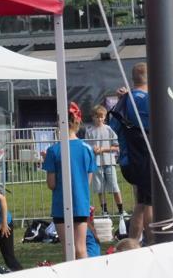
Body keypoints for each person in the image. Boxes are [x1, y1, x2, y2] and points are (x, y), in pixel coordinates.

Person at [43, 102, 96, 259]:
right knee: (81, 248)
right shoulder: (87, 149)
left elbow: (51, 184)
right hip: (80, 204)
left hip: (61, 206)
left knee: (68, 249)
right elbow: (88, 181)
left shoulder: (53, 151)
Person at [111, 62, 152, 244]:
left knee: (141, 204)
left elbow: (114, 127)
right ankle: (153, 242)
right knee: (150, 202)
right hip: (144, 158)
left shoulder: (124, 100)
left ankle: (132, 243)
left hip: (128, 161)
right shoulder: (146, 100)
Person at [84, 104, 123, 217]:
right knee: (100, 188)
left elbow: (116, 146)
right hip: (96, 164)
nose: (99, 119)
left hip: (109, 162)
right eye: (97, 116)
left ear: (105, 117)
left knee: (114, 186)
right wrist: (93, 150)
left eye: (101, 117)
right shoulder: (89, 131)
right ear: (93, 117)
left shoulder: (109, 129)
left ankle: (121, 210)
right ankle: (104, 210)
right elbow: (87, 147)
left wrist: (103, 149)